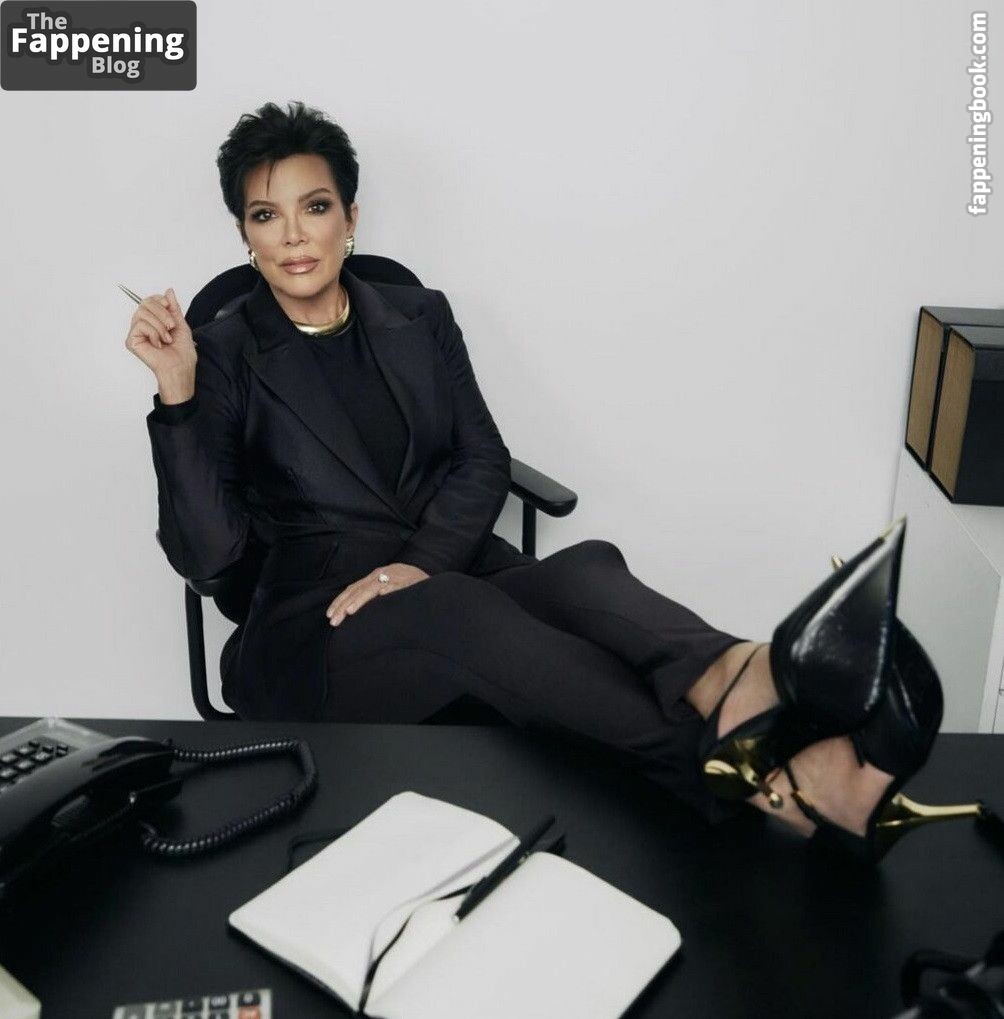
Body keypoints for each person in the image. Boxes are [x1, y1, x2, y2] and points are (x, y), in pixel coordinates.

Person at [127, 100, 974, 863]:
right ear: (244, 234)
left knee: (584, 568)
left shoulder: (418, 314)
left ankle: (742, 677)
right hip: (317, 632)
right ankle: (776, 775)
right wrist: (177, 394)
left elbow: (481, 458)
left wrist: (419, 562)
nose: (292, 235)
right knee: (462, 611)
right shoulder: (221, 353)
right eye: (265, 215)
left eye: (314, 207)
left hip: (446, 570)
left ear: (352, 216)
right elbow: (210, 559)